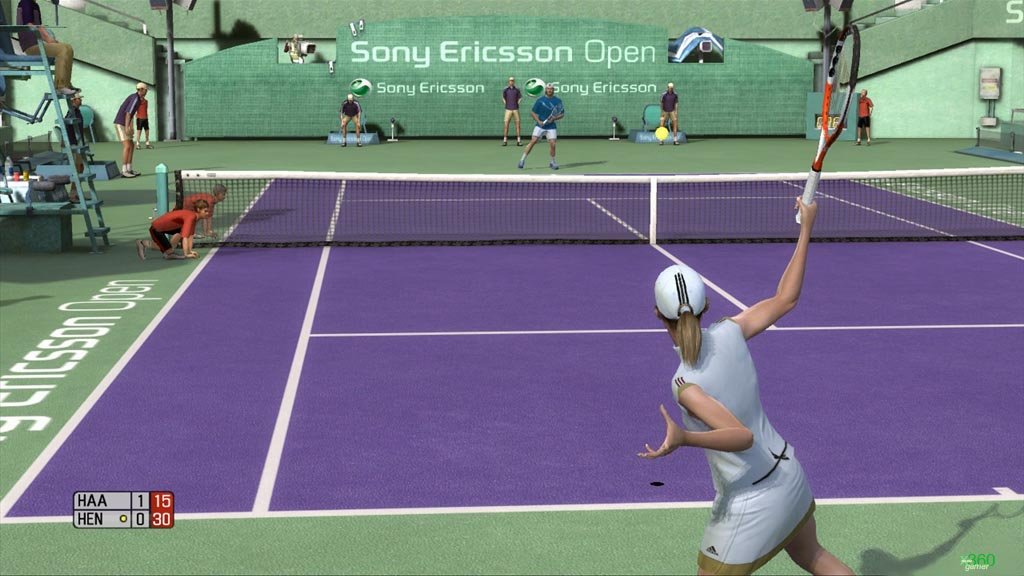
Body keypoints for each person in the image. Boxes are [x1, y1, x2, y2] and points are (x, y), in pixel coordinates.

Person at [639, 198, 854, 576]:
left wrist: (684, 438)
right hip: (790, 475)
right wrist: (806, 227)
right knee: (813, 556)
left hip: (752, 500)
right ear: (705, 307)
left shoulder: (684, 383)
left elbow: (740, 436)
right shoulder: (731, 330)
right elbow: (786, 298)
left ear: (658, 315)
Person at [16, 0, 78, 96]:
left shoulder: (35, 5)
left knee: (68, 47)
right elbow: (30, 25)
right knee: (62, 49)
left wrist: (50, 40)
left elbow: (40, 26)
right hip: (31, 46)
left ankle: (66, 84)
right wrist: (48, 39)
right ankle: (60, 86)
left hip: (39, 44)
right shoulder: (26, 2)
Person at [136, 199, 208, 260]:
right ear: (198, 210)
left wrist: (190, 251)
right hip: (156, 228)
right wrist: (186, 254)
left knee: (172, 247)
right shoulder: (191, 217)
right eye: (205, 211)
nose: (207, 213)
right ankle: (142, 243)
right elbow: (185, 237)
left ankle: (169, 250)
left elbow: (190, 236)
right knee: (169, 253)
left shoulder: (194, 218)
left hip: (168, 227)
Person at [518, 83, 563, 170]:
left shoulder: (558, 101)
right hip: (540, 125)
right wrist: (539, 121)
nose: (549, 90)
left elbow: (562, 114)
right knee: (533, 141)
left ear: (553, 90)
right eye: (548, 89)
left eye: (551, 89)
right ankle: (522, 160)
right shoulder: (540, 100)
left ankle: (552, 162)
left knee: (553, 144)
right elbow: (533, 112)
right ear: (546, 90)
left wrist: (554, 118)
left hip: (551, 126)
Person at [114, 83, 147, 178]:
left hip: (125, 123)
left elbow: (131, 114)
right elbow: (128, 113)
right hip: (120, 123)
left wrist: (130, 127)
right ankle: (124, 171)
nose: (146, 92)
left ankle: (129, 169)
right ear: (141, 90)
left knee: (131, 145)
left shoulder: (138, 99)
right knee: (127, 146)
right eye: (145, 90)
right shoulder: (135, 98)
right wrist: (127, 128)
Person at [63, 92, 87, 202]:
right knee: (78, 169)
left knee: (80, 168)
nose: (81, 100)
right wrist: (70, 143)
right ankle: (73, 195)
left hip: (78, 144)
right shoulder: (72, 112)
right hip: (74, 145)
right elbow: (67, 127)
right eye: (79, 99)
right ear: (73, 101)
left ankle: (75, 193)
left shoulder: (77, 111)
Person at [502, 76, 522, 147]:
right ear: (509, 82)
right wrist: (506, 104)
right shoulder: (505, 90)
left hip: (515, 109)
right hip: (508, 109)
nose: (511, 82)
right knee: (506, 125)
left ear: (514, 81)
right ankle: (505, 141)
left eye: (512, 80)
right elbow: (503, 97)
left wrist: (517, 103)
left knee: (518, 125)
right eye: (510, 81)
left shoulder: (517, 90)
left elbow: (520, 97)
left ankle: (518, 141)